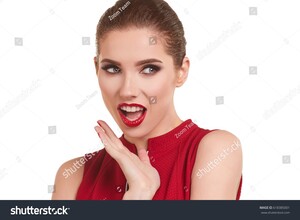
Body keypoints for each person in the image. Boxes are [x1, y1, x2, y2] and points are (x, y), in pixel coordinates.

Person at [52, 0, 242, 200]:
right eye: (113, 69)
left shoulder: (216, 149)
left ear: (181, 72)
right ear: (96, 68)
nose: (127, 90)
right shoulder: (73, 177)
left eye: (149, 69)